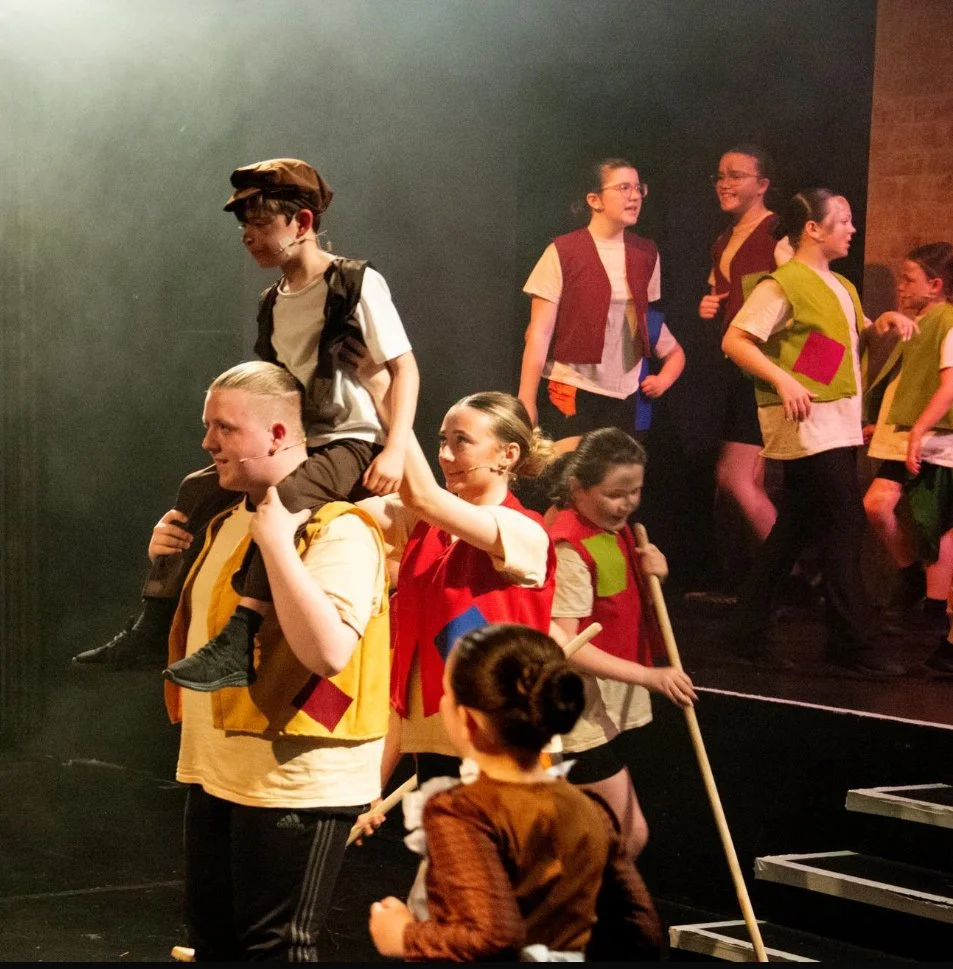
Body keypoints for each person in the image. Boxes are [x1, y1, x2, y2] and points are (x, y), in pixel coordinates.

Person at [74, 158, 418, 693]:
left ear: (301, 223)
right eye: (244, 226)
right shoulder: (272, 303)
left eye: (261, 224)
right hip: (298, 440)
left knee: (282, 497)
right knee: (196, 488)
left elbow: (404, 368)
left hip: (350, 440)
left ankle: (243, 633)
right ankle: (154, 621)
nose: (249, 237)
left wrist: (393, 449)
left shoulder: (353, 282)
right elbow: (271, 387)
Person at [164, 361, 391, 961]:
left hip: (296, 778)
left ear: (279, 435)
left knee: (275, 949)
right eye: (208, 426)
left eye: (225, 428)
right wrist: (165, 562)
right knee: (214, 945)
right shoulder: (224, 520)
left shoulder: (340, 528)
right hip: (219, 767)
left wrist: (277, 541)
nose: (208, 442)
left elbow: (328, 652)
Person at [367, 623, 664, 962]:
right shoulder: (589, 810)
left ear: (467, 721)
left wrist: (402, 936)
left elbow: (491, 935)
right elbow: (642, 930)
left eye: (446, 693)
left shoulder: (462, 812)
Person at [721, 189, 906, 677]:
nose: (851, 228)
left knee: (794, 528)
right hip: (807, 423)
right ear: (813, 229)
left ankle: (745, 632)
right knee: (845, 524)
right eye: (842, 220)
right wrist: (783, 379)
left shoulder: (841, 285)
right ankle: (851, 641)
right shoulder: (781, 284)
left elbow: (842, 336)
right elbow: (735, 339)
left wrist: (877, 325)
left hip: (838, 419)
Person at [355, 383, 557, 786]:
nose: (445, 455)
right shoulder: (425, 526)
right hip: (436, 741)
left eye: (461, 442)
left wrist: (386, 387)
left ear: (507, 455)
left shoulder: (523, 532)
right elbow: (344, 514)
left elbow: (424, 498)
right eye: (442, 441)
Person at [547, 428, 697, 860]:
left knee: (592, 838)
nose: (628, 503)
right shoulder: (570, 545)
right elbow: (567, 643)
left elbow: (618, 595)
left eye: (636, 491)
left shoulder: (616, 528)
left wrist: (657, 572)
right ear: (579, 488)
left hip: (598, 702)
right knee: (625, 835)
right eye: (616, 493)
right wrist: (650, 676)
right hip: (571, 711)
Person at [518, 157, 684, 453]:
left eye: (638, 188)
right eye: (623, 188)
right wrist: (526, 400)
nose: (634, 196)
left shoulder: (645, 252)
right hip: (573, 386)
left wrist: (667, 371)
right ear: (594, 200)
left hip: (626, 391)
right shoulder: (563, 251)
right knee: (570, 479)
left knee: (614, 484)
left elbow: (647, 320)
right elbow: (539, 332)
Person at [701, 146, 792, 560]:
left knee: (739, 477)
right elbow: (725, 291)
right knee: (738, 478)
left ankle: (782, 570)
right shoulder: (723, 240)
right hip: (737, 369)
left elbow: (803, 293)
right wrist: (709, 305)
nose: (725, 183)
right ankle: (771, 574)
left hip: (766, 369)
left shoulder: (778, 233)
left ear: (762, 185)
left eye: (736, 175)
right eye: (721, 175)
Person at [863, 243, 953, 660]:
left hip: (936, 435)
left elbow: (946, 386)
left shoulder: (947, 322)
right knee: (877, 504)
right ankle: (911, 575)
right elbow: (904, 383)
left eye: (909, 280)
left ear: (936, 285)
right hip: (905, 433)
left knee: (935, 521)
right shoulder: (917, 323)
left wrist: (920, 429)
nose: (900, 287)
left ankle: (934, 609)